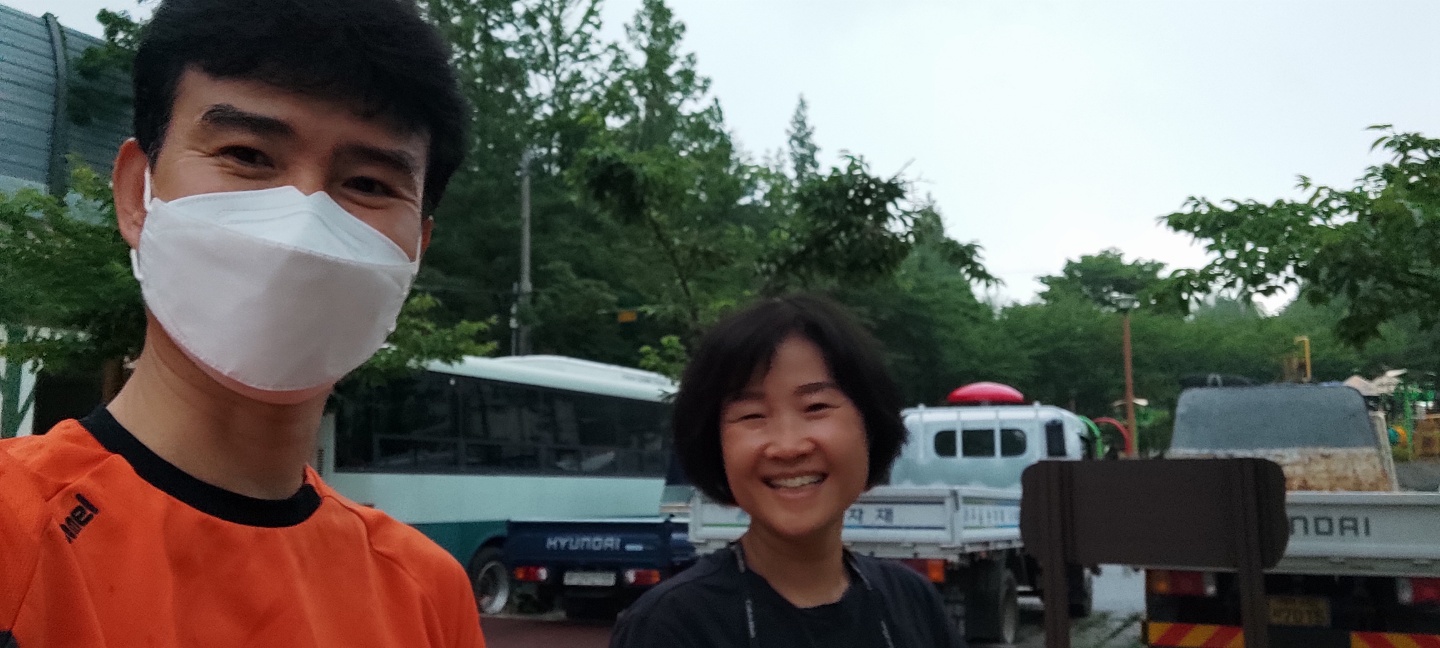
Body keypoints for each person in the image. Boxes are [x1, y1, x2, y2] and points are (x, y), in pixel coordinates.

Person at [0, 0, 482, 646]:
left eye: (368, 184)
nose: (303, 226)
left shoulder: (427, 594)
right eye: (248, 155)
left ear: (416, 250)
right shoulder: (15, 529)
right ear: (137, 194)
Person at [611, 295, 964, 648]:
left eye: (815, 407)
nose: (788, 446)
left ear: (869, 428)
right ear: (715, 446)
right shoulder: (669, 626)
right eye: (752, 415)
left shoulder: (912, 602)